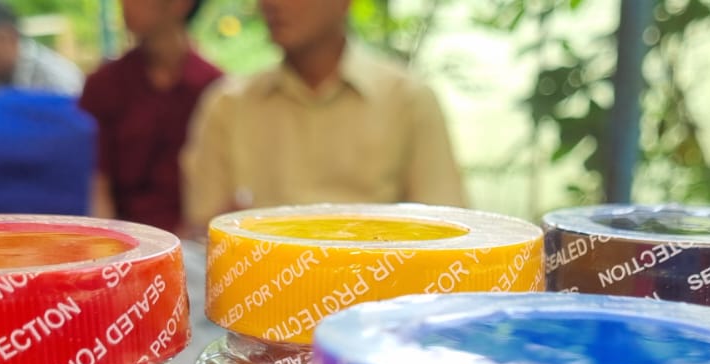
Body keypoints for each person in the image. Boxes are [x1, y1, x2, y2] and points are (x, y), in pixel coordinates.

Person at [179, 0, 466, 233]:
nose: (271, 3)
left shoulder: (407, 101)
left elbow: (447, 227)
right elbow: (205, 233)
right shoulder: (228, 106)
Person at [80, 0, 222, 235]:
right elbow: (97, 185)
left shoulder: (215, 90)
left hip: (195, 238)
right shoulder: (103, 85)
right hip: (123, 238)